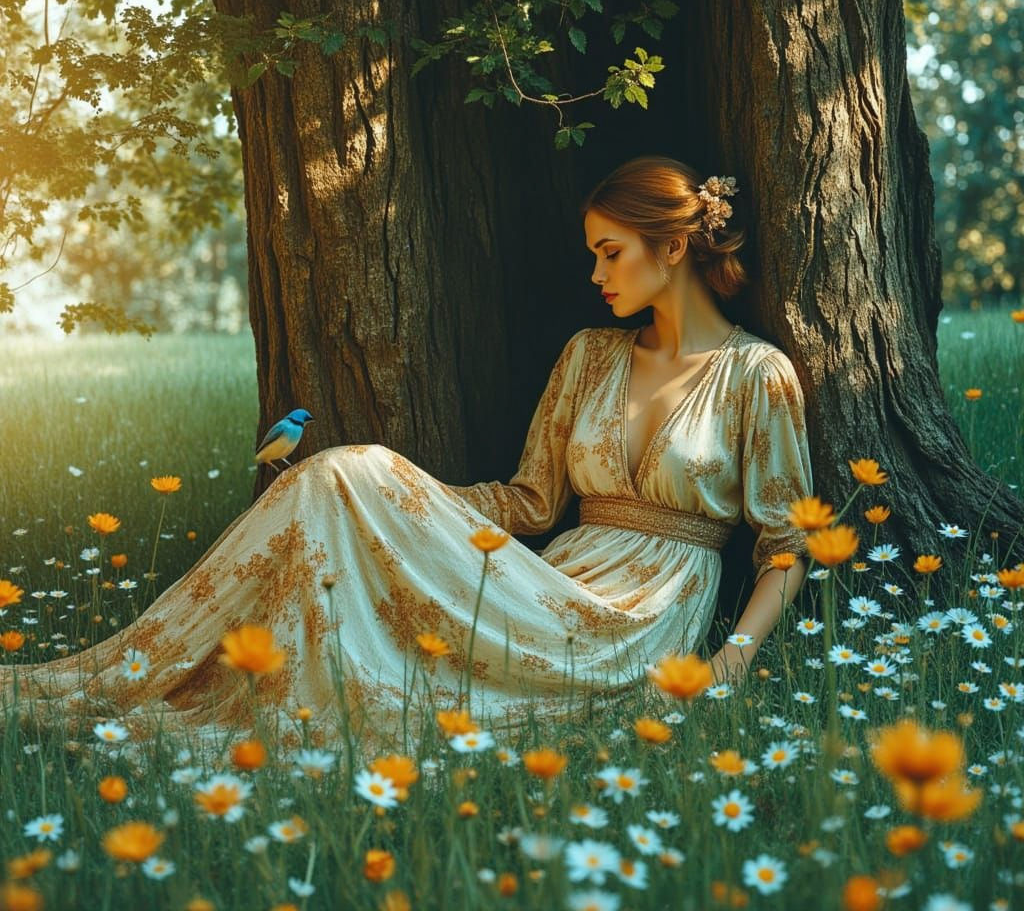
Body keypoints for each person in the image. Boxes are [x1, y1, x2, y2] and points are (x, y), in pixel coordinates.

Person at [1, 155, 813, 756]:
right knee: (343, 473)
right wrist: (395, 497)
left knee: (352, 478)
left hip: (639, 624)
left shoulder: (757, 374)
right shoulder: (590, 354)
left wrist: (731, 663)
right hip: (549, 583)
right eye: (594, 254)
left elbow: (787, 545)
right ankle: (142, 668)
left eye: (611, 251)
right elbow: (530, 503)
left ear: (672, 248)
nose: (596, 272)